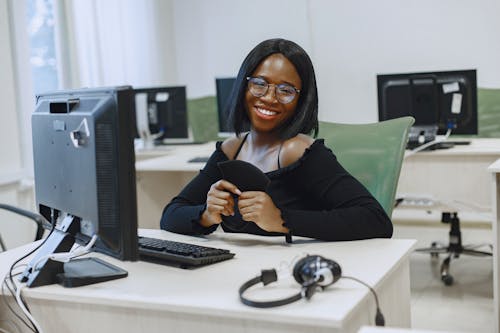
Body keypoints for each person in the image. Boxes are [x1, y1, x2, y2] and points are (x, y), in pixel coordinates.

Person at [160, 38, 392, 242]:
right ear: (244, 85)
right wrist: (206, 214)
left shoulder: (299, 151)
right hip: (236, 271)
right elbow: (170, 215)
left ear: (301, 101)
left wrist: (282, 220)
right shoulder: (232, 149)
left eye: (286, 90)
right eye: (259, 84)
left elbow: (375, 220)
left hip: (292, 275)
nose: (270, 98)